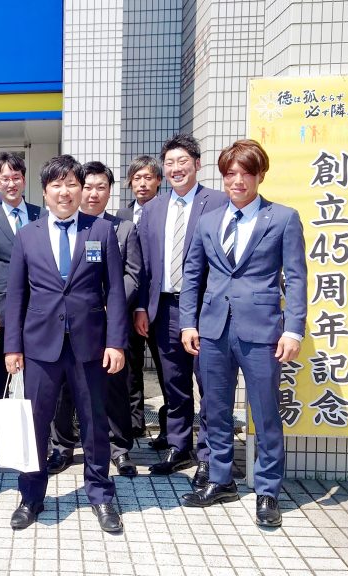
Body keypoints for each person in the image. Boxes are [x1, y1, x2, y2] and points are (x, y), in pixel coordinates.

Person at [178, 139, 306, 528]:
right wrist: (188, 322)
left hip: (262, 331)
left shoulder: (282, 218)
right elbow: (192, 275)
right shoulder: (208, 221)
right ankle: (220, 480)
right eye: (230, 174)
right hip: (213, 329)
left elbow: (296, 278)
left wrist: (293, 329)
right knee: (214, 409)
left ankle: (267, 490)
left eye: (246, 173)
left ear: (260, 175)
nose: (237, 181)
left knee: (265, 412)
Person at [2, 155, 127, 533]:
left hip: (90, 344)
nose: (65, 191)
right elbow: (15, 295)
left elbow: (115, 291)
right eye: (57, 185)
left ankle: (101, 494)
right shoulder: (28, 234)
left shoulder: (100, 230)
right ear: (45, 191)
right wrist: (12, 347)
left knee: (94, 423)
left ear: (81, 189)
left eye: (72, 184)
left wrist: (116, 342)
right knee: (36, 424)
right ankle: (31, 496)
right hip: (40, 345)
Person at [133, 134, 227, 488]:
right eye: (169, 163)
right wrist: (141, 306)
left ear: (197, 164)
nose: (175, 168)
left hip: (207, 309)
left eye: (182, 161)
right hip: (164, 308)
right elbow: (143, 265)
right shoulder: (153, 208)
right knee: (174, 383)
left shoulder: (218, 202)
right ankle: (179, 446)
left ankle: (209, 456)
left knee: (209, 384)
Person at [48, 161, 141, 477]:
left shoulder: (122, 228)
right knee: (64, 389)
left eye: (101, 187)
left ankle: (119, 448)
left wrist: (107, 305)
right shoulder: (59, 227)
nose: (93, 193)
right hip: (67, 326)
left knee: (113, 389)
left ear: (110, 191)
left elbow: (132, 274)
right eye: (87, 186)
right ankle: (62, 447)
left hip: (108, 323)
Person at [0, 152, 41, 464]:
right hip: (2, 313)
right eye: (4, 179)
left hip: (41, 310)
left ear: (23, 180)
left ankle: (39, 439)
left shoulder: (41, 215)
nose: (11, 183)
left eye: (16, 177)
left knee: (40, 377)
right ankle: (0, 443)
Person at [116, 156, 168, 446]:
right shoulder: (122, 216)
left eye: (148, 178)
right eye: (137, 178)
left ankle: (169, 429)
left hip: (160, 304)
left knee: (166, 369)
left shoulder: (168, 211)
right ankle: (134, 422)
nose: (143, 184)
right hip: (129, 304)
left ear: (159, 180)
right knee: (131, 367)